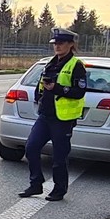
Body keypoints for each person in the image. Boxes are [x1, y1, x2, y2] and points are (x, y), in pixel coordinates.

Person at [21, 28, 89, 201]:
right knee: (31, 147)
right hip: (46, 115)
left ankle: (59, 189)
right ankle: (36, 184)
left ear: (71, 45)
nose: (57, 47)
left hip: (63, 119)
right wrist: (39, 95)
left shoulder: (76, 65)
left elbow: (79, 91)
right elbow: (42, 84)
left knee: (59, 156)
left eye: (61, 43)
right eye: (55, 44)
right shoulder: (50, 63)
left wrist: (57, 89)